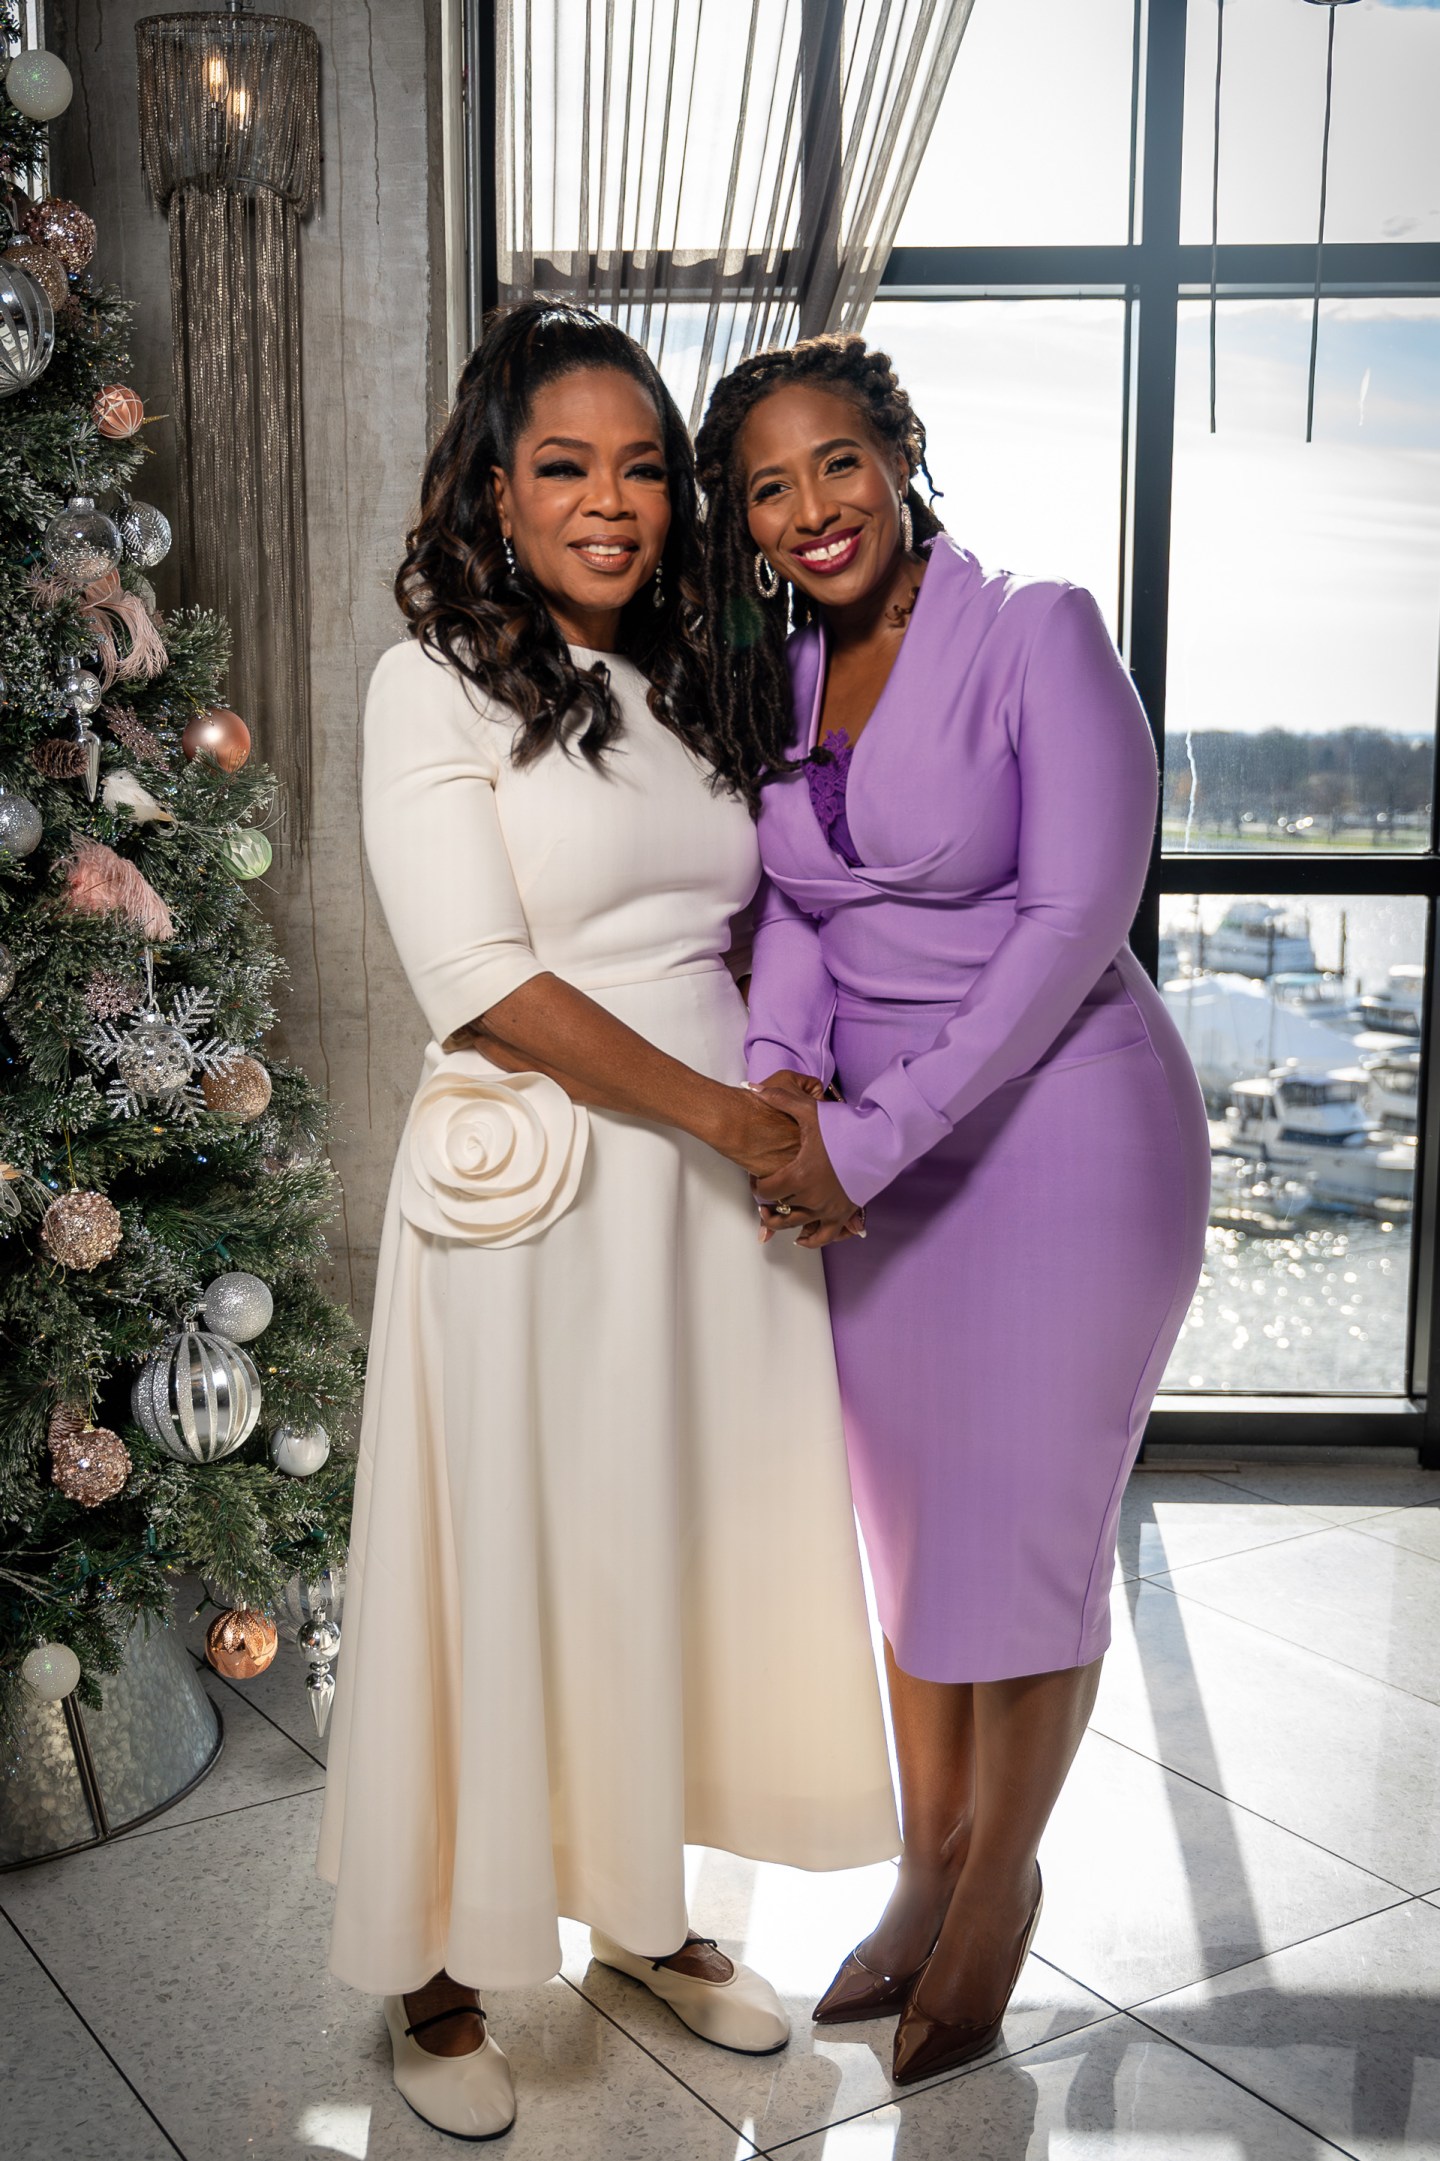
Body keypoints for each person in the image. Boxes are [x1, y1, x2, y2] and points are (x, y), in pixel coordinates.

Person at [317, 304, 898, 2141]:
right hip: (540, 1185)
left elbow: (749, 919)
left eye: (644, 466)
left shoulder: (689, 675)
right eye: (565, 465)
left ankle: (641, 1913)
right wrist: (736, 1114)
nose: (613, 501)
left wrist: (787, 1088)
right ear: (493, 487)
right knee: (495, 1550)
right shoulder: (435, 678)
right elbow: (481, 976)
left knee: (662, 1549)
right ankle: (436, 1957)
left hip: (699, 1206)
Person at [694, 332, 1210, 2087]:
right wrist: (781, 1085)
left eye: (837, 462)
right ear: (746, 520)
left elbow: (1073, 927)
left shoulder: (1041, 632)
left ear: (902, 452)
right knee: (914, 1540)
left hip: (1066, 1139)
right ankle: (922, 1867)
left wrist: (869, 1134)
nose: (812, 508)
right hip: (876, 1159)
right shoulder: (778, 675)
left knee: (1028, 1537)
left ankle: (1003, 1880)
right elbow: (803, 920)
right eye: (770, 484)